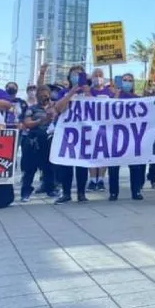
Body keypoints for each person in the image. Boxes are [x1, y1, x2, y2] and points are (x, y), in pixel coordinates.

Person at [53, 65, 90, 204]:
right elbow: (59, 108)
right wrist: (71, 93)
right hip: (67, 133)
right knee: (66, 165)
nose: (77, 76)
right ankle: (66, 193)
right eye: (75, 74)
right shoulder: (64, 92)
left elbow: (95, 108)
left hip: (84, 133)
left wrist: (87, 92)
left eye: (80, 74)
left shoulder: (88, 91)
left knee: (82, 164)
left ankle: (81, 193)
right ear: (69, 77)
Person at [107, 73, 145, 201]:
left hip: (132, 135)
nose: (127, 82)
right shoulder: (114, 96)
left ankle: (136, 191)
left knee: (135, 166)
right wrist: (116, 95)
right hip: (116, 135)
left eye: (130, 80)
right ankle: (113, 192)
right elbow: (110, 109)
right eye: (125, 80)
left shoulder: (137, 98)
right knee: (114, 166)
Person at [19, 85, 59, 201]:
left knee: (49, 167)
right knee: (30, 168)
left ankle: (50, 189)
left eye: (46, 95)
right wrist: (41, 120)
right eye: (41, 95)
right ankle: (25, 192)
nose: (43, 97)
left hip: (50, 140)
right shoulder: (32, 109)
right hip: (34, 141)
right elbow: (27, 123)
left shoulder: (55, 107)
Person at [87, 68, 113, 191]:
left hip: (106, 127)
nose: (98, 77)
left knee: (104, 154)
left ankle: (101, 179)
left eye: (100, 75)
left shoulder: (110, 91)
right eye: (95, 75)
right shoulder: (89, 91)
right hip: (91, 127)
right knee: (92, 154)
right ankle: (92, 180)